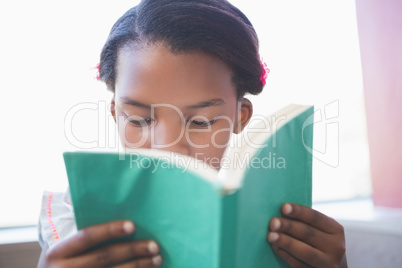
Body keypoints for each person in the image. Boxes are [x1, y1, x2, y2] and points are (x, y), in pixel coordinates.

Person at [37, 0, 347, 267]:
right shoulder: (71, 222)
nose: (167, 150)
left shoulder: (278, 225)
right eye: (139, 120)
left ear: (240, 118)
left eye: (200, 123)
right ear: (116, 114)